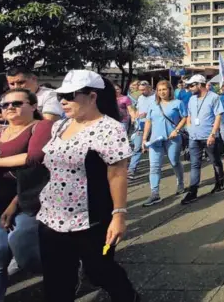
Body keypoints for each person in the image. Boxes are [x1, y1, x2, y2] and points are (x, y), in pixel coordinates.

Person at [38, 70, 138, 302]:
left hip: (91, 219)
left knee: (100, 271)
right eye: (61, 95)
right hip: (51, 217)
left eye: (70, 95)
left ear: (92, 97)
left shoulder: (110, 129)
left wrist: (119, 215)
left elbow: (117, 174)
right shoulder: (59, 127)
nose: (63, 100)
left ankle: (128, 297)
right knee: (56, 280)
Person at [0, 89, 53, 301]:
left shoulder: (41, 126)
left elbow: (34, 157)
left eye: (17, 103)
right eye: (5, 105)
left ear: (33, 106)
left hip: (25, 204)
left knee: (29, 260)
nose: (10, 107)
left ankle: (64, 269)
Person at [141, 81, 187, 206]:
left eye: (164, 89)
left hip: (172, 138)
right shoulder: (153, 105)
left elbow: (185, 117)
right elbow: (148, 122)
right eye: (159, 90)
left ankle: (180, 183)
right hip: (156, 140)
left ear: (170, 90)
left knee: (174, 161)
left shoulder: (178, 103)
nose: (162, 92)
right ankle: (154, 193)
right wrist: (144, 139)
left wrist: (177, 130)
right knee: (154, 166)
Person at [181, 74, 224, 204]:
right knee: (195, 164)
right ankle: (193, 191)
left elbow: (218, 116)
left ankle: (219, 182)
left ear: (200, 84)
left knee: (215, 161)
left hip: (209, 136)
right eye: (188, 86)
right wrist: (189, 128)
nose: (189, 88)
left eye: (192, 85)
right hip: (194, 137)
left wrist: (213, 134)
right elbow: (189, 115)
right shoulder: (191, 99)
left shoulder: (214, 97)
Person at [127, 81, 156, 180]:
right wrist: (135, 117)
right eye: (140, 90)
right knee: (137, 147)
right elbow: (137, 109)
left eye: (144, 90)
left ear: (149, 88)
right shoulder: (140, 97)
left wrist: (147, 114)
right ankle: (131, 170)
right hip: (140, 126)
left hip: (154, 126)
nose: (142, 92)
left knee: (154, 148)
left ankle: (155, 169)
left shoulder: (156, 96)